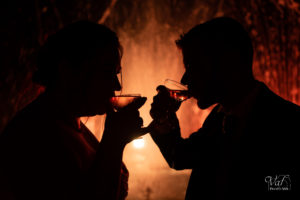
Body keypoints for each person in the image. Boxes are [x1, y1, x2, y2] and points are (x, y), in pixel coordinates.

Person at [149, 17, 299, 200]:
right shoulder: (220, 118)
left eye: (192, 66)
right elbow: (180, 156)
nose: (184, 80)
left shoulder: (290, 124)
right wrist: (164, 120)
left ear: (227, 63)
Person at [0, 21, 146, 200]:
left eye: (116, 74)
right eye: (106, 73)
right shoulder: (33, 135)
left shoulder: (70, 122)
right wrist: (114, 141)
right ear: (67, 71)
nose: (117, 85)